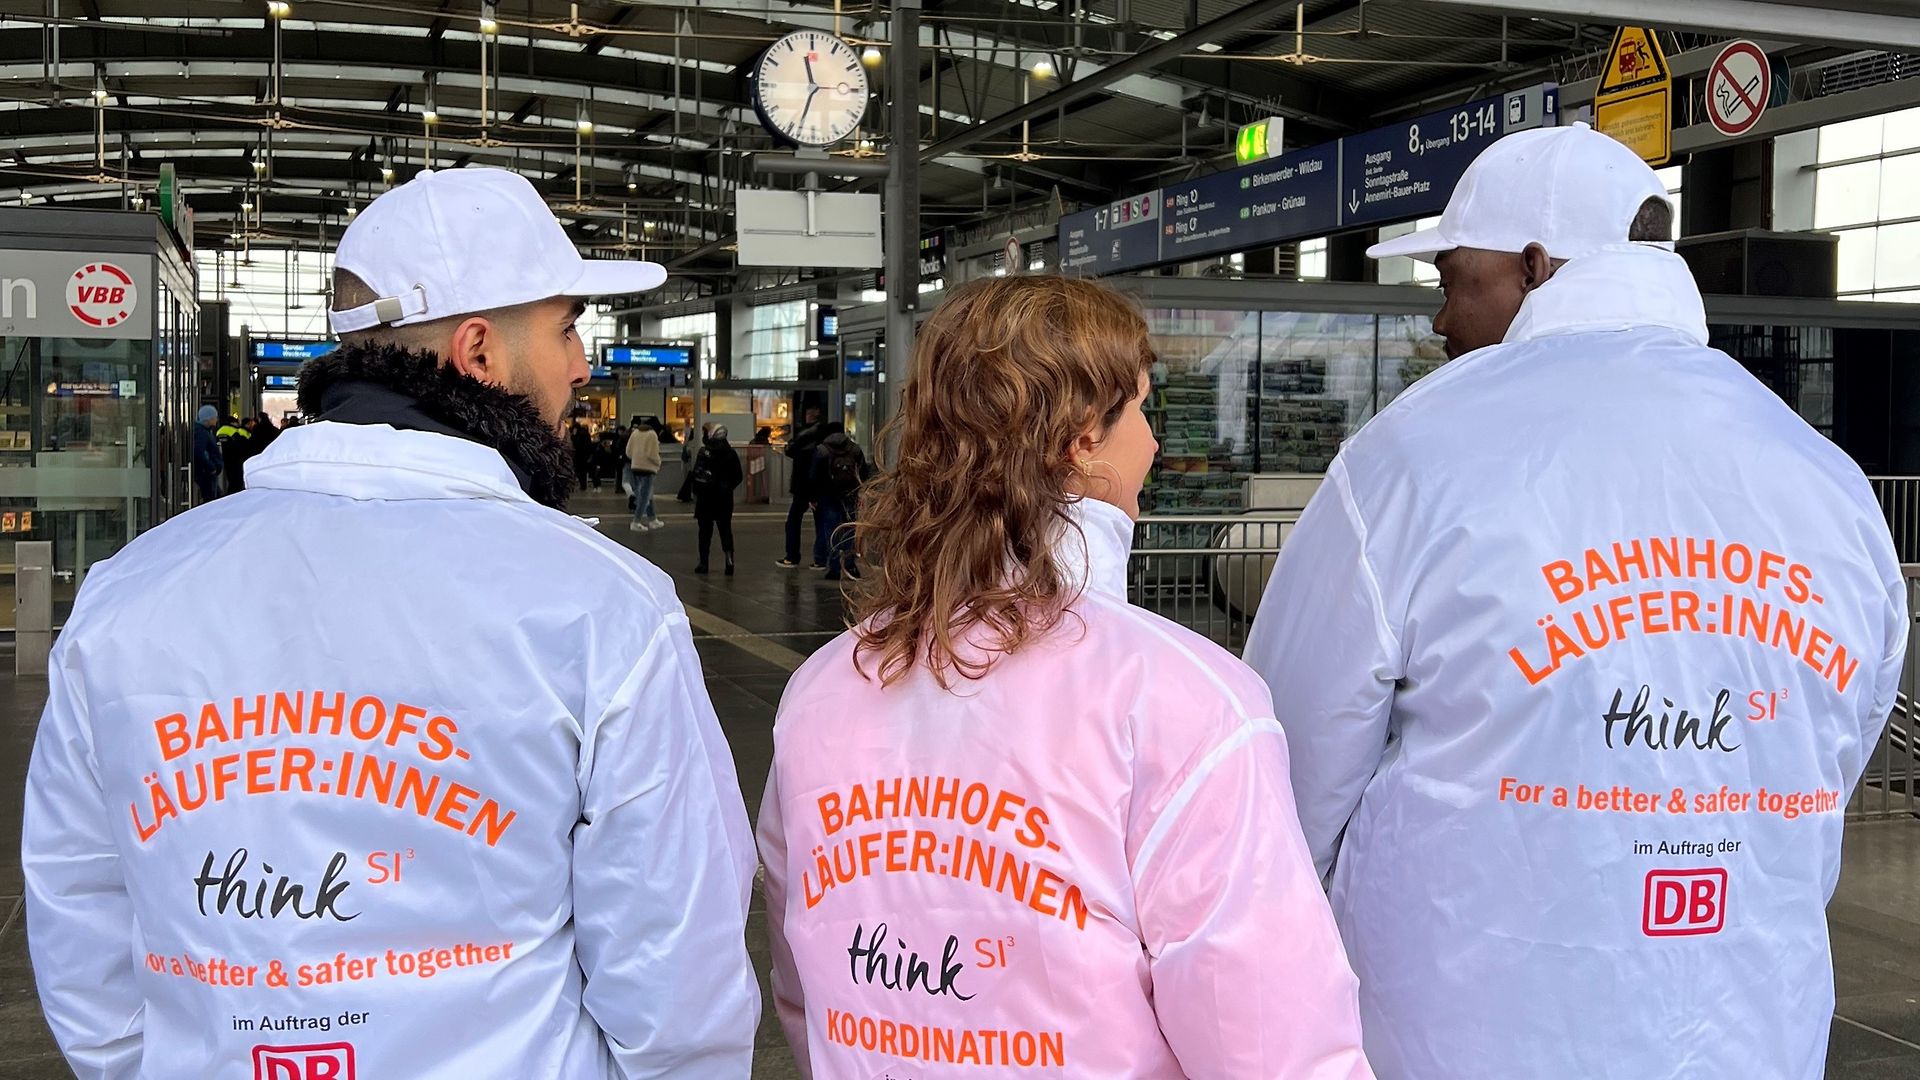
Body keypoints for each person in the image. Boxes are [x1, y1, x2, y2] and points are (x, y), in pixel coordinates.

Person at [22, 166, 759, 1080]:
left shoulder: (127, 596)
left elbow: (82, 928)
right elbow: (679, 986)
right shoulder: (604, 607)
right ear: (478, 351)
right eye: (566, 328)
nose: (581, 366)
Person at [1243, 123, 1910, 1080]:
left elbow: (1284, 775)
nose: (1440, 320)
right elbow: (1838, 746)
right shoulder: (1825, 478)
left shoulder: (1413, 459)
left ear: (1533, 265)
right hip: (1748, 1031)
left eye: (1452, 282)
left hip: (1464, 1036)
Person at [758, 276, 1371, 1079]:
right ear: (1084, 436)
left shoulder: (820, 691)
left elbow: (807, 987)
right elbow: (1272, 1043)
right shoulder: (1184, 701)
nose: (1153, 442)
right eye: (1141, 408)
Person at [808, 421, 869, 581]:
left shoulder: (822, 450)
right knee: (850, 529)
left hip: (828, 496)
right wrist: (859, 489)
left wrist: (813, 497)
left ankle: (834, 568)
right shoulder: (855, 449)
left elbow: (814, 476)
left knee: (831, 530)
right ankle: (850, 565)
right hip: (850, 494)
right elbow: (863, 472)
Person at [777, 407, 827, 569]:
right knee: (821, 522)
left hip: (803, 486)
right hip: (818, 485)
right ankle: (821, 559)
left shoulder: (805, 436)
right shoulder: (822, 435)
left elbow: (791, 450)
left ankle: (792, 557)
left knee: (793, 521)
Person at [690, 424, 742, 575]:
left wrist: (697, 489)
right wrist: (727, 487)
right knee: (725, 530)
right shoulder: (731, 453)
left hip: (706, 497)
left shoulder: (705, 452)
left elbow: (697, 473)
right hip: (724, 498)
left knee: (704, 532)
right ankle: (729, 560)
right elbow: (738, 476)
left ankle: (704, 563)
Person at [626, 417, 663, 531]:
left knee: (647, 495)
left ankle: (653, 519)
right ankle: (636, 522)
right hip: (648, 468)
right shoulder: (652, 434)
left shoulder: (635, 433)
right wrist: (658, 462)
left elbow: (628, 451)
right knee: (644, 497)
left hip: (635, 467)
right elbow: (652, 453)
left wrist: (636, 459)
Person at [191, 404, 223, 503]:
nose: (216, 419)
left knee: (215, 498)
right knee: (212, 499)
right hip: (207, 474)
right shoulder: (202, 433)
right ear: (209, 419)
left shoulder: (204, 431)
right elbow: (199, 452)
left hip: (207, 473)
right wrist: (211, 467)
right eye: (215, 417)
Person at [217, 413, 252, 494]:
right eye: (236, 423)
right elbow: (241, 444)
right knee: (236, 482)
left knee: (229, 480)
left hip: (224, 458)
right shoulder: (234, 431)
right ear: (233, 423)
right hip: (235, 459)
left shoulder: (219, 430)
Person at [571, 420, 594, 491]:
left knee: (579, 471)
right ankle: (583, 485)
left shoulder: (579, 435)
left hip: (580, 455)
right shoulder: (584, 434)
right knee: (582, 472)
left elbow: (576, 444)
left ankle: (582, 485)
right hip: (583, 456)